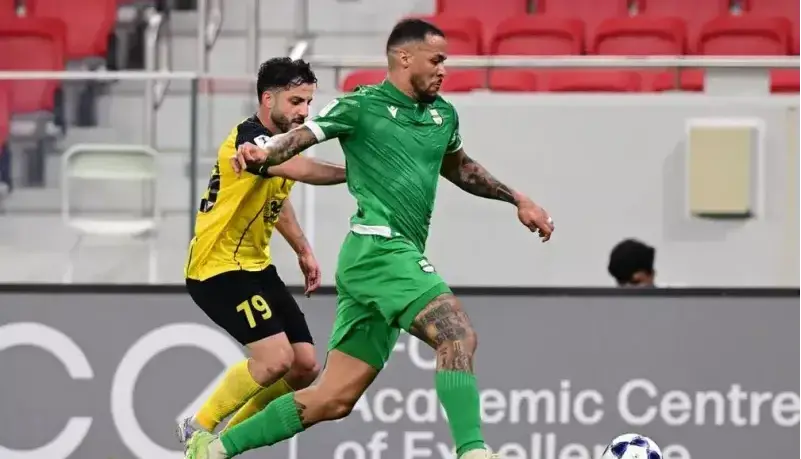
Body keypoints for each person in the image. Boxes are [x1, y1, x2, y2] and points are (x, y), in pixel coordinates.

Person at [183, 19, 554, 459]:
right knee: (456, 335)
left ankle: (215, 449)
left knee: (331, 397)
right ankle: (473, 452)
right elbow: (298, 142)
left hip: (373, 262)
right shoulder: (360, 106)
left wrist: (516, 199)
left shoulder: (443, 116)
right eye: (436, 60)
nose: (443, 69)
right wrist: (262, 153)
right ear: (404, 57)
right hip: (377, 250)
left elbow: (461, 169)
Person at [177, 57, 346, 444]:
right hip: (217, 269)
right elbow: (302, 170)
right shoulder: (250, 141)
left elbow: (277, 201)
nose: (304, 112)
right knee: (276, 359)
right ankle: (198, 427)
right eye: (296, 101)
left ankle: (225, 442)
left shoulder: (277, 148)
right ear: (268, 99)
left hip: (255, 267)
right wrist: (358, 173)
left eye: (308, 102)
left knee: (305, 366)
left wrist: (303, 249)